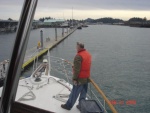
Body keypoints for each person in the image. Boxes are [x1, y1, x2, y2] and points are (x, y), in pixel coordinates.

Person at [61, 42, 92, 110]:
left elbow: (77, 69)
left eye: (76, 47)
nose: (76, 48)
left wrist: (74, 78)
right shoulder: (88, 54)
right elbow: (85, 65)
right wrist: (75, 66)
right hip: (86, 78)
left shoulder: (78, 56)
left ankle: (68, 106)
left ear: (79, 47)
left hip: (80, 79)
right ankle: (81, 106)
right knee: (83, 94)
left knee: (74, 93)